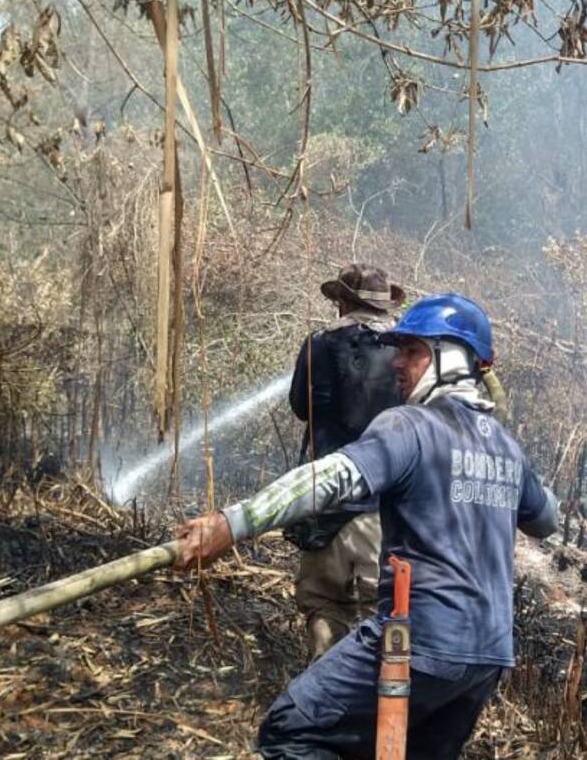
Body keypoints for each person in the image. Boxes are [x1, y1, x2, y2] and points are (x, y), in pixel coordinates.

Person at [175, 293, 558, 759]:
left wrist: (229, 524)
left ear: (451, 359)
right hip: (487, 656)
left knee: (292, 729)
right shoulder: (506, 448)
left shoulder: (409, 427)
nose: (397, 362)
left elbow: (328, 479)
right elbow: (546, 520)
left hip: (418, 642)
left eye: (412, 351)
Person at [287, 263, 405, 660]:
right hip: (383, 509)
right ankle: (379, 707)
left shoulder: (318, 344)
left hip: (326, 501)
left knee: (323, 604)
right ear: (383, 306)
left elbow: (301, 408)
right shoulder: (406, 355)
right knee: (382, 612)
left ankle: (322, 692)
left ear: (341, 302)